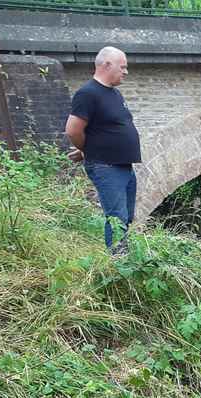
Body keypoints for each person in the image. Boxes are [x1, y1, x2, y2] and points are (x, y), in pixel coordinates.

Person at [65, 47, 141, 254]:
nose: (126, 72)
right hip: (106, 167)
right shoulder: (88, 93)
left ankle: (125, 258)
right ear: (106, 65)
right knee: (116, 217)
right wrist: (88, 150)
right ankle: (118, 264)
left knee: (126, 217)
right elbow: (73, 130)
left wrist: (86, 149)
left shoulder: (114, 94)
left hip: (123, 165)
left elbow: (103, 129)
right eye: (122, 67)